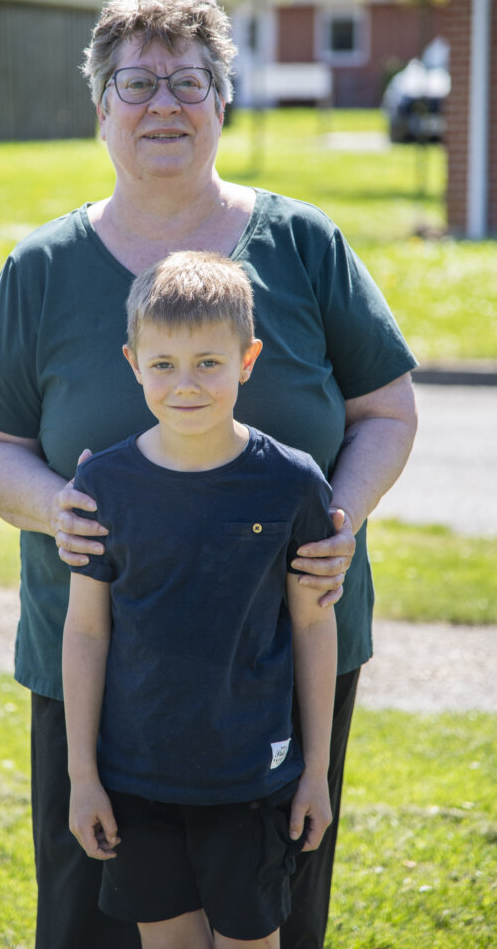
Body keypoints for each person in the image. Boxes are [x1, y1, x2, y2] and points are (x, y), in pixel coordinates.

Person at [0, 0, 418, 949]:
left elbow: (386, 412)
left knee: (271, 920)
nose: (163, 102)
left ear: (223, 101)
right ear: (101, 107)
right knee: (95, 925)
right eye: (136, 82)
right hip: (103, 665)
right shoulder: (43, 267)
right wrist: (53, 508)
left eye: (189, 80)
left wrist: (341, 520)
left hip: (276, 656)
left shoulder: (305, 245)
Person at [63, 251, 339, 949]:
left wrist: (314, 772)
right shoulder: (104, 485)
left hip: (253, 779)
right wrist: (82, 776)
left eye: (208, 364)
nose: (185, 385)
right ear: (132, 363)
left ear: (247, 359)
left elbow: (311, 626)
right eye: (163, 365)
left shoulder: (292, 483)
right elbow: (87, 632)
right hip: (135, 781)